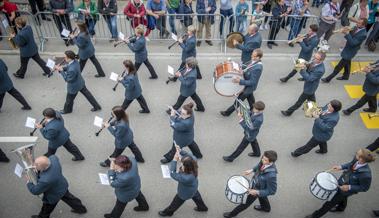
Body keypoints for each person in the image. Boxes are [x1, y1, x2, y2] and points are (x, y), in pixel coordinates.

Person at [305, 148, 375, 218]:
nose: (355, 154)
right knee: (343, 196)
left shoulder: (366, 175)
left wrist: (349, 187)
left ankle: (315, 216)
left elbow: (365, 188)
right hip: (342, 181)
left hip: (348, 189)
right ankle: (341, 208)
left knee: (329, 204)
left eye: (357, 154)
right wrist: (341, 167)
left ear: (361, 159)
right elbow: (350, 164)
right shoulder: (356, 159)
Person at [223, 150, 278, 218]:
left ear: (271, 162)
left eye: (265, 160)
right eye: (263, 158)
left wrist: (257, 192)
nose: (262, 160)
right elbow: (259, 165)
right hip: (257, 184)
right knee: (262, 196)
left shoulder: (271, 176)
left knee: (245, 203)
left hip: (258, 189)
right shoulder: (264, 161)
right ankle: (266, 208)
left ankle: (232, 214)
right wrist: (252, 170)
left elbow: (272, 191)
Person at [159, 146, 208, 216]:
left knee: (175, 203)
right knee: (195, 195)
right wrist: (180, 150)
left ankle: (168, 212)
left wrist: (174, 160)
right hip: (193, 186)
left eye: (182, 165)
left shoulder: (186, 178)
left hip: (185, 192)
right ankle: (202, 207)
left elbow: (172, 173)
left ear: (187, 167)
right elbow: (188, 155)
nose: (181, 165)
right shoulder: (193, 160)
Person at [281, 51, 326, 116]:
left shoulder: (320, 70)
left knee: (299, 101)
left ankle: (288, 112)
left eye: (316, 58)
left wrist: (301, 69)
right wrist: (305, 64)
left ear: (321, 60)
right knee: (311, 98)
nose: (313, 59)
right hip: (311, 87)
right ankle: (312, 110)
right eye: (314, 57)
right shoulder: (315, 62)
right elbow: (310, 66)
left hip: (310, 87)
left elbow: (309, 78)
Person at [220, 49, 263, 117]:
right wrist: (237, 67)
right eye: (252, 54)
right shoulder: (254, 61)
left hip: (248, 87)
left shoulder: (258, 68)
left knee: (238, 101)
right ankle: (254, 111)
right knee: (251, 100)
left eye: (253, 55)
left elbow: (252, 82)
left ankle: (227, 113)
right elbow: (246, 67)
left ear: (258, 57)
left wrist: (240, 81)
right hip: (248, 86)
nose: (251, 56)